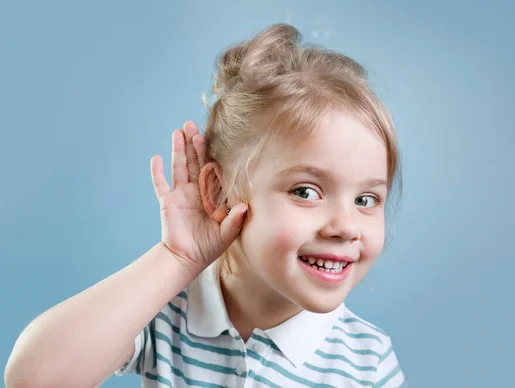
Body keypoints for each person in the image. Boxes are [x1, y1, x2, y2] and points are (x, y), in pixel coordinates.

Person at [5, 23, 405, 387]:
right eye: (306, 191)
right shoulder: (164, 312)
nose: (346, 226)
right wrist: (177, 258)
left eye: (366, 200)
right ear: (221, 194)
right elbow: (34, 379)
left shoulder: (368, 361)